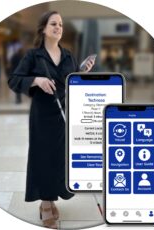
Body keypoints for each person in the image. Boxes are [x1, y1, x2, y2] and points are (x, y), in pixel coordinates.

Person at [8, 11, 94, 229]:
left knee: (59, 158)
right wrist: (36, 80)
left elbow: (72, 81)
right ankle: (46, 204)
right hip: (43, 115)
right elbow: (14, 80)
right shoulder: (33, 56)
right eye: (53, 24)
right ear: (44, 29)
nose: (58, 27)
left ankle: (51, 197)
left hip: (65, 114)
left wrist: (82, 71)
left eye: (61, 25)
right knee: (43, 157)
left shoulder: (68, 56)